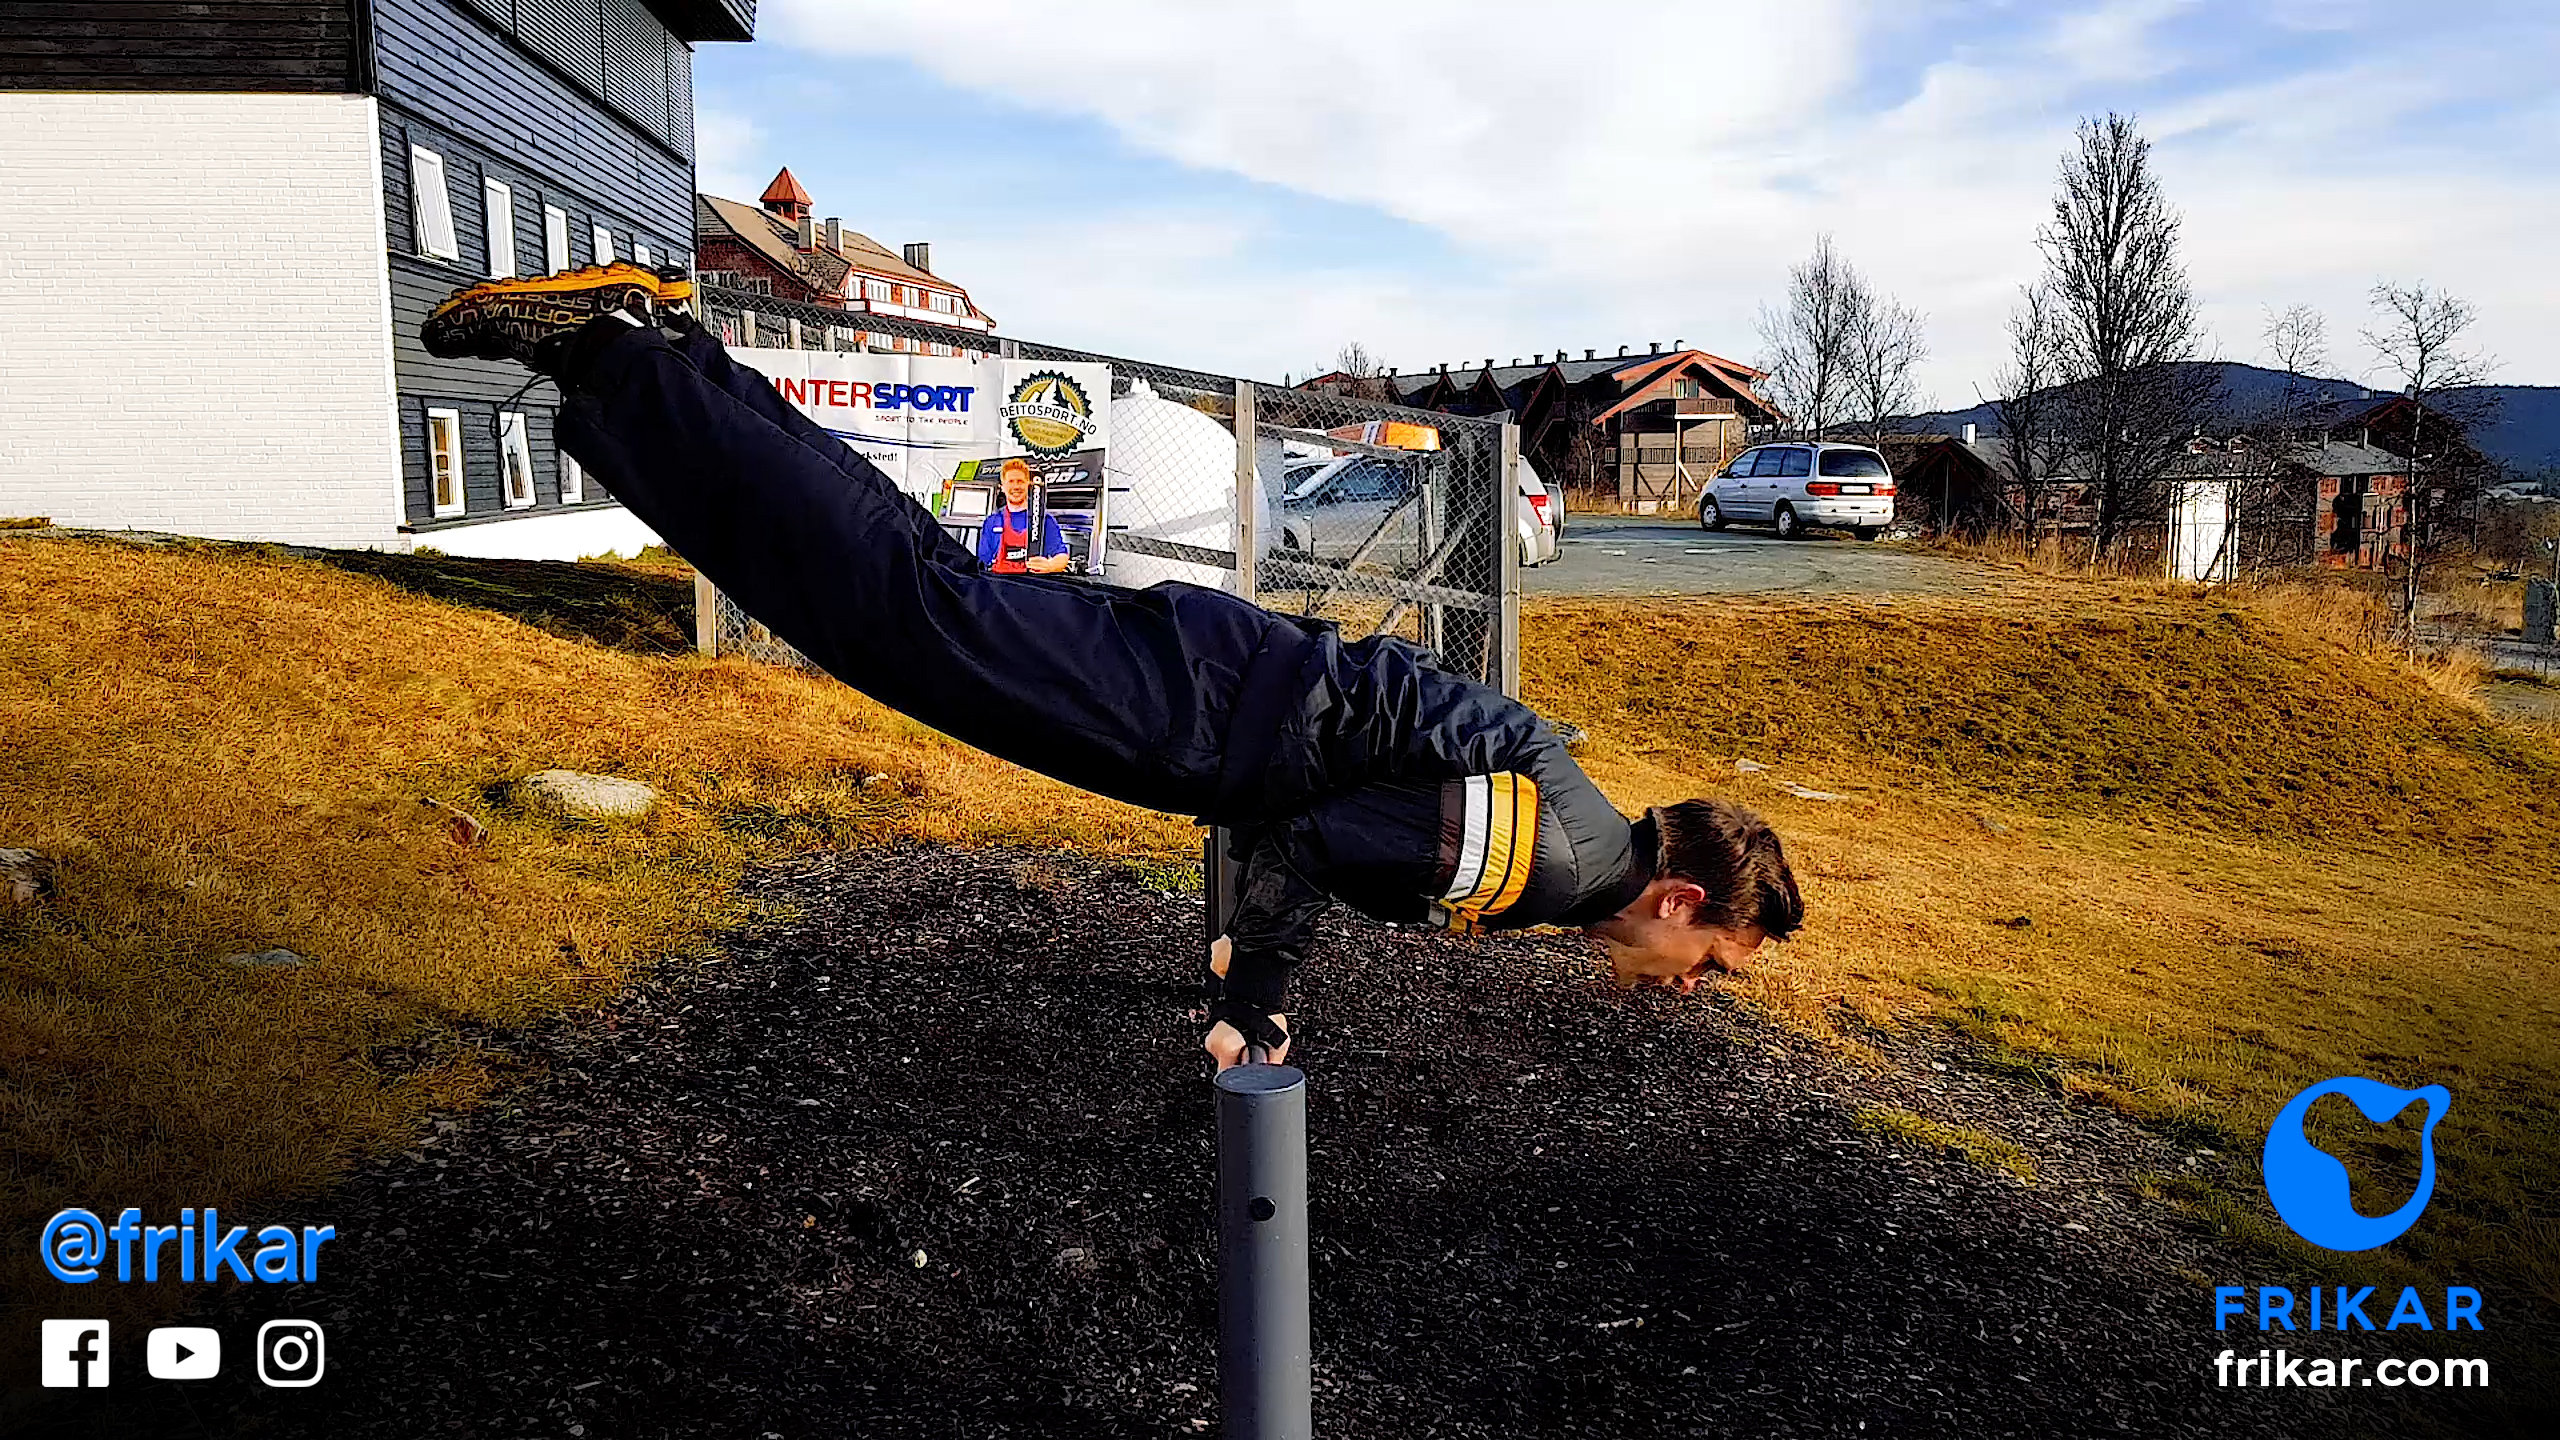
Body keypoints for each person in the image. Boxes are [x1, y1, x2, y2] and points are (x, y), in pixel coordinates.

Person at [422, 264, 1805, 1071]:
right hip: (1194, 711)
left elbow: (1336, 812)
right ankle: (612, 356)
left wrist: (1253, 951)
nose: (1687, 982)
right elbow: (1321, 838)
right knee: (901, 606)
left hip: (1216, 691)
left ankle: (665, 353)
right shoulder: (1556, 863)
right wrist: (1256, 997)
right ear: (1680, 898)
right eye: (1709, 962)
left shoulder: (1572, 827)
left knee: (911, 590)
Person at [975, 457, 1073, 574]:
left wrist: (1051, 566)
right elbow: (983, 563)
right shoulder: (992, 522)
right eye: (1011, 481)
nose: (1016, 487)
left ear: (1028, 484)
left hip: (1032, 583)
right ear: (1002, 487)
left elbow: (1062, 556)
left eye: (1020, 481)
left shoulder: (1044, 520)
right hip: (999, 583)